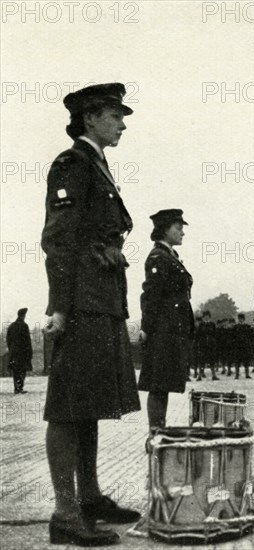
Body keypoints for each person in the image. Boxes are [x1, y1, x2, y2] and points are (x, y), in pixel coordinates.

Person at [41, 83, 140, 546]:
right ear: (90, 119)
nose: (122, 123)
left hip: (101, 301)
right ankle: (65, 513)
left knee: (90, 404)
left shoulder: (96, 165)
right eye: (115, 115)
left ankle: (91, 497)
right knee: (67, 407)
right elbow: (58, 241)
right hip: (80, 303)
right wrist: (59, 307)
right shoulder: (72, 164)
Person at [138, 209, 194, 426]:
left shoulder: (168, 255)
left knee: (163, 382)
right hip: (162, 329)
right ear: (165, 229)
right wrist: (146, 328)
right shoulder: (158, 257)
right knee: (159, 384)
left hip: (171, 328)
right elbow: (151, 296)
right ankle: (155, 432)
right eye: (178, 228)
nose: (182, 233)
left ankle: (158, 429)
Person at [6, 308, 32, 394]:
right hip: (23, 352)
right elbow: (27, 341)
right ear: (23, 316)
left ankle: (16, 388)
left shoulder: (11, 326)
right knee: (22, 370)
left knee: (16, 371)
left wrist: (11, 350)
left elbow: (8, 340)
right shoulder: (24, 325)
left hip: (14, 352)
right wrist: (29, 352)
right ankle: (20, 387)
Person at [196, 311, 218, 381]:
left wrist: (213, 342)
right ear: (203, 317)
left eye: (207, 316)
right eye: (205, 316)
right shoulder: (201, 325)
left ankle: (214, 375)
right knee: (201, 360)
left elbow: (215, 334)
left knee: (212, 360)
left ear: (209, 317)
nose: (206, 317)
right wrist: (198, 343)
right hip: (203, 344)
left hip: (211, 344)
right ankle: (200, 375)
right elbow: (198, 335)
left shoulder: (212, 324)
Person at [234, 313, 253, 379]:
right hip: (238, 346)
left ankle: (247, 374)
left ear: (244, 319)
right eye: (239, 319)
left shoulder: (247, 327)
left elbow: (250, 336)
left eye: (241, 319)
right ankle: (237, 374)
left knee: (246, 360)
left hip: (245, 345)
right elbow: (234, 336)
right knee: (237, 361)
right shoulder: (235, 327)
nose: (240, 320)